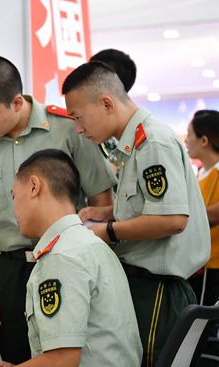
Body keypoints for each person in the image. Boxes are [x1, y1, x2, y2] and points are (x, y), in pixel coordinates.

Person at [0, 55, 117, 363]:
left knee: (69, 355)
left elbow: (101, 200)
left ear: (17, 102)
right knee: (18, 354)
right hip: (13, 270)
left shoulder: (67, 129)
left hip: (69, 261)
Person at [62, 61, 210, 366]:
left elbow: (172, 220)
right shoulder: (133, 144)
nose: (78, 128)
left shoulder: (151, 142)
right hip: (146, 285)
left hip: (158, 291)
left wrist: (108, 231)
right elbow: (148, 206)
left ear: (105, 103)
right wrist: (106, 213)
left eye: (78, 117)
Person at [0, 149, 142, 367]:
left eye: (14, 196)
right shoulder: (90, 244)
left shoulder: (61, 257)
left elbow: (62, 360)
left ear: (34, 186)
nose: (13, 209)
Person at [185, 109, 219, 305]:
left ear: (204, 141)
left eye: (190, 135)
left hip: (214, 263)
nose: (186, 140)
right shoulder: (199, 174)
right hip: (200, 264)